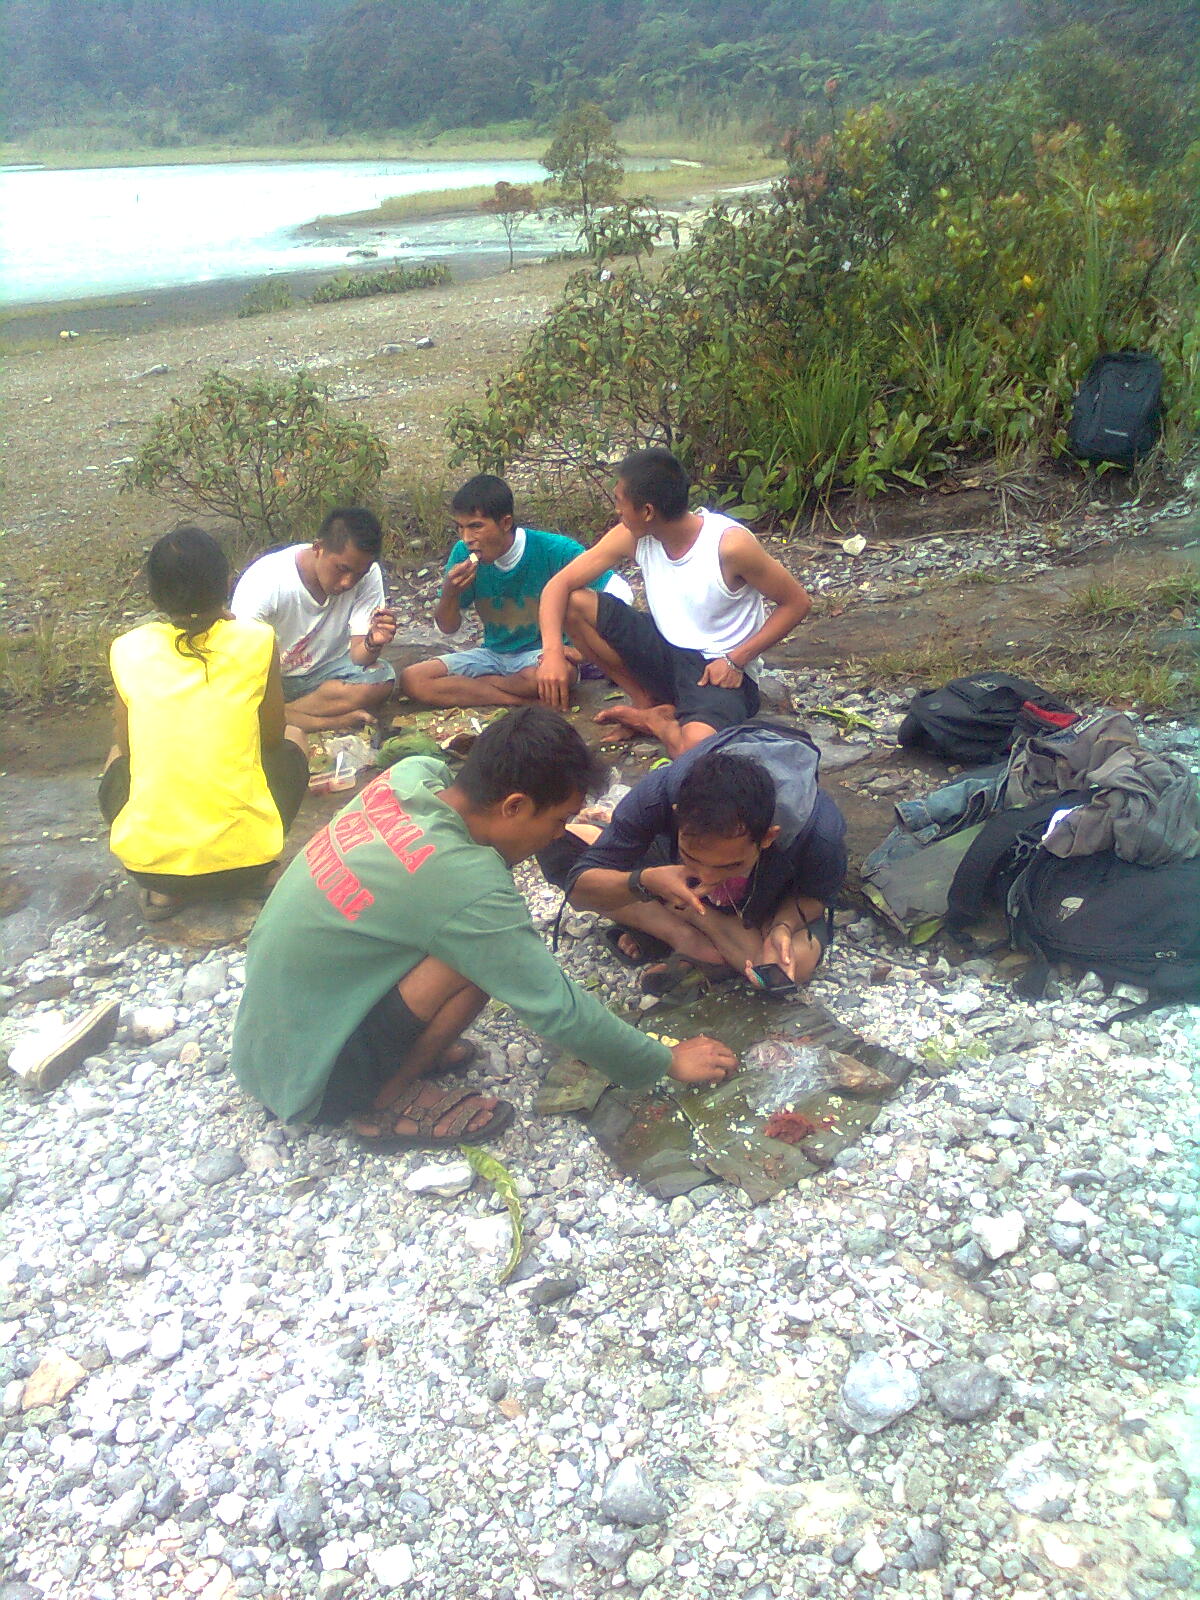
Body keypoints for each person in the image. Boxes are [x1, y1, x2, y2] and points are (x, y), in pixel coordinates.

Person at [229, 707, 737, 1150]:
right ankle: (382, 1100)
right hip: (315, 1084)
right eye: (557, 820)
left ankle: (396, 1056)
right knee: (479, 961)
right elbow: (558, 1007)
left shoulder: (409, 777)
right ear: (514, 806)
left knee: (468, 944)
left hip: (265, 1049)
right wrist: (663, 1061)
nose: (558, 835)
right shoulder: (469, 883)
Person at [536, 447, 813, 756]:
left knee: (694, 750)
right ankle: (646, 702)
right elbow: (558, 586)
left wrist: (737, 660)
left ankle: (654, 722)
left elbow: (797, 603)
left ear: (648, 512)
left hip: (716, 667)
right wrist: (551, 653)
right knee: (575, 603)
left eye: (620, 502)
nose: (617, 511)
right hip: (664, 646)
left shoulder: (729, 546)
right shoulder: (633, 535)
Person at [101, 525, 309, 921]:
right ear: (227, 583)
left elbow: (128, 749)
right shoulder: (256, 640)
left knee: (117, 754)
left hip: (152, 867)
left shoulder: (127, 648)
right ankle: (253, 876)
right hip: (249, 859)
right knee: (294, 736)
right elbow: (271, 736)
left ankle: (165, 892)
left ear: (155, 592)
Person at [549, 728, 847, 994]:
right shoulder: (657, 795)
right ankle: (689, 937)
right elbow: (579, 889)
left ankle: (694, 922)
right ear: (677, 815)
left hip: (764, 906)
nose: (706, 878)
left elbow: (815, 896)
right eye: (693, 857)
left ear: (768, 838)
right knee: (557, 844)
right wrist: (645, 881)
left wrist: (783, 925)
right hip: (668, 877)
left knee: (789, 968)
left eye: (729, 865)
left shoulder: (819, 832)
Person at [400, 474, 631, 710]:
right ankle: (519, 701)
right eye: (461, 528)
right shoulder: (462, 554)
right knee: (413, 679)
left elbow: (620, 591)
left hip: (541, 656)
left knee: (547, 677)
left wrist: (585, 648)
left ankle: (481, 689)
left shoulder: (553, 549)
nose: (467, 538)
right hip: (494, 654)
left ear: (506, 523)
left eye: (476, 527)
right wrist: (450, 592)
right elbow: (447, 628)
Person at [231, 506, 397, 731]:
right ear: (318, 548)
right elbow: (244, 665)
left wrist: (372, 642)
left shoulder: (369, 574)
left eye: (359, 574)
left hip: (327, 673)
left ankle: (284, 715)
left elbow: (360, 658)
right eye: (342, 569)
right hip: (274, 681)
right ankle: (315, 719)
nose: (348, 582)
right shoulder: (265, 582)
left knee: (382, 678)